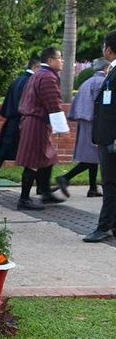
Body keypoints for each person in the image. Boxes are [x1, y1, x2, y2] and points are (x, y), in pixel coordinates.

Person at [15, 47, 67, 210]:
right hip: (36, 122)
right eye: (60, 58)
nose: (62, 61)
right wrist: (62, 128)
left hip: (35, 120)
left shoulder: (39, 74)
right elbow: (53, 102)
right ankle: (24, 199)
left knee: (48, 157)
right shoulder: (48, 77)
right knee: (32, 161)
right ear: (50, 61)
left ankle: (45, 192)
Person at [83, 33, 116, 243]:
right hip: (107, 136)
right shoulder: (111, 71)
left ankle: (103, 226)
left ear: (109, 49)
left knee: (110, 183)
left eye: (104, 46)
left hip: (112, 138)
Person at [56, 66, 105, 199]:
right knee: (93, 155)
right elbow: (101, 103)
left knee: (92, 156)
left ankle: (93, 188)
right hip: (93, 121)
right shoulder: (101, 81)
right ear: (106, 68)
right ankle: (65, 177)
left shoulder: (89, 81)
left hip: (85, 120)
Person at [0, 58, 38, 176]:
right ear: (35, 67)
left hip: (12, 120)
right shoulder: (31, 82)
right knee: (33, 154)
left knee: (3, 153)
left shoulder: (18, 80)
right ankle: (41, 187)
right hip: (22, 121)